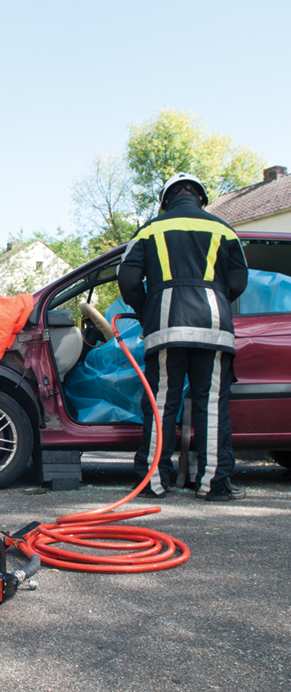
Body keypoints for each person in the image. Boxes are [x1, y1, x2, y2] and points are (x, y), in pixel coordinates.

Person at [117, 172, 248, 502]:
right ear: (201, 198)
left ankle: (153, 482)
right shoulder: (223, 229)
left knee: (161, 405)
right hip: (214, 329)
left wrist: (148, 307)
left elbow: (128, 279)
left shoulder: (150, 230)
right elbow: (238, 280)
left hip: (165, 328)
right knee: (211, 406)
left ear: (166, 199)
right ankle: (213, 485)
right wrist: (215, 298)